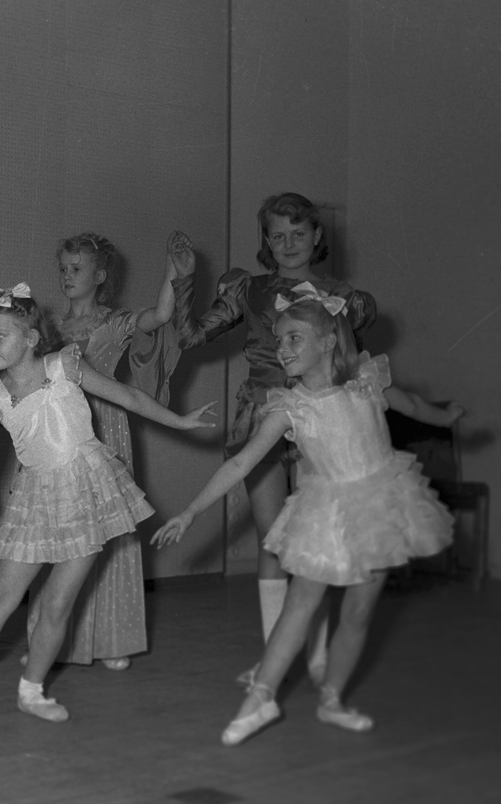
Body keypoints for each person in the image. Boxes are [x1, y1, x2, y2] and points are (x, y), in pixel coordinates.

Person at [0, 285, 216, 732]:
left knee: (58, 604)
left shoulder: (65, 366)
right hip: (36, 501)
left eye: (0, 336)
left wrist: (181, 421)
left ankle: (32, 691)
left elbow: (130, 398)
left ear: (31, 338)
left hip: (86, 491)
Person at [152, 286, 462, 746]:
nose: (282, 348)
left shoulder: (366, 381)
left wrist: (446, 416)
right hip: (325, 511)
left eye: (294, 338)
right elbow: (240, 463)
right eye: (279, 340)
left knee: (358, 613)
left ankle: (332, 698)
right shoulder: (289, 407)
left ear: (329, 340)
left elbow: (415, 406)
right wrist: (191, 512)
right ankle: (261, 698)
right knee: (300, 606)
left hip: (382, 504)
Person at [171, 193, 377, 681]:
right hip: (261, 417)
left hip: (318, 422)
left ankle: (318, 658)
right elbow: (190, 337)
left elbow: (349, 366)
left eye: (298, 234)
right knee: (273, 541)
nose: (288, 244)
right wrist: (183, 280)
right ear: (265, 238)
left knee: (313, 540)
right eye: (277, 235)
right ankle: (275, 657)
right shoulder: (250, 288)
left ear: (317, 235)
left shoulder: (341, 297)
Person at [30, 230, 185, 670]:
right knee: (62, 531)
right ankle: (52, 641)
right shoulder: (49, 327)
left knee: (109, 531)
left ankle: (114, 639)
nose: (67, 276)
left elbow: (161, 315)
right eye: (63, 268)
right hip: (60, 433)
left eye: (77, 269)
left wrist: (172, 270)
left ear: (99, 276)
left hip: (105, 428)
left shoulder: (114, 322)